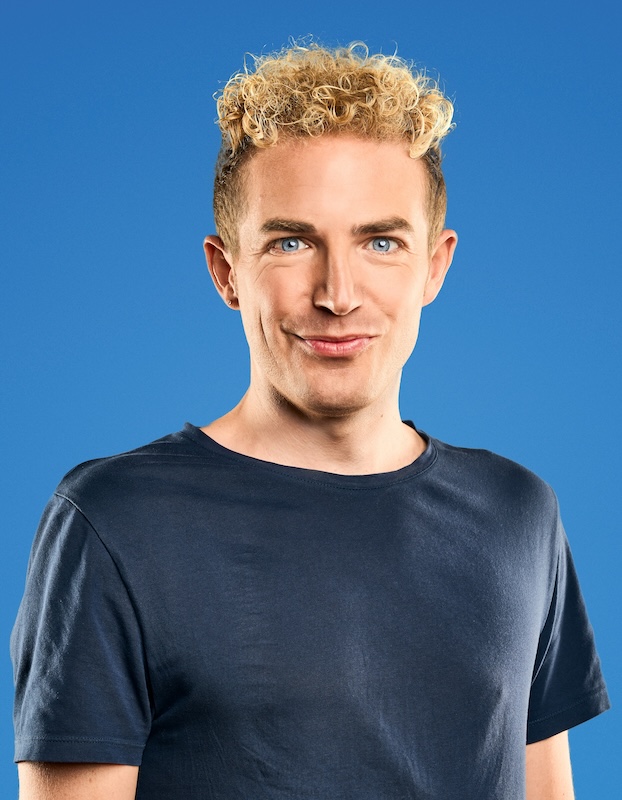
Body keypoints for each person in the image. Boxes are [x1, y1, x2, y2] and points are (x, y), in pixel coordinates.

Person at [11, 42, 609, 800]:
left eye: (381, 242)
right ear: (226, 270)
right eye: (291, 242)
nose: (338, 294)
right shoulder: (113, 521)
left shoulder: (519, 512)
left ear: (435, 265)